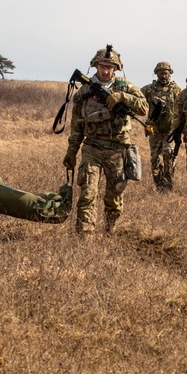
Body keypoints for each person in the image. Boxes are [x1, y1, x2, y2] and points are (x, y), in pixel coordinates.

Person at [63, 45, 148, 234]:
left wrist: (122, 97)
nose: (105, 70)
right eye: (102, 66)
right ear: (95, 66)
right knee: (88, 193)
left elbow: (143, 108)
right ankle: (85, 237)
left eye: (110, 67)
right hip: (92, 147)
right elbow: (76, 127)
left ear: (116, 69)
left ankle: (109, 230)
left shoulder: (126, 87)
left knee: (114, 197)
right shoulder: (84, 91)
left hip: (118, 149)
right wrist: (71, 154)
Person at [141, 61, 181, 191]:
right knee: (154, 159)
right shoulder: (149, 89)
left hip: (170, 130)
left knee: (168, 156)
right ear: (156, 74)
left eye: (166, 73)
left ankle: (168, 186)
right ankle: (159, 187)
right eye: (160, 73)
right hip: (154, 129)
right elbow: (137, 100)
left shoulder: (177, 90)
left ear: (170, 74)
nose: (163, 76)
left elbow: (183, 108)